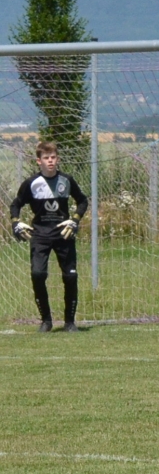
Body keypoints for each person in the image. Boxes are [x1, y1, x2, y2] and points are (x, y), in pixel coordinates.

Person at [8, 141, 88, 332]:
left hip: (64, 234)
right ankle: (46, 321)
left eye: (53, 157)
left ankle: (69, 322)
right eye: (46, 158)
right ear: (39, 161)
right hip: (40, 235)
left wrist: (75, 220)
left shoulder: (66, 180)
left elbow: (83, 201)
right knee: (38, 274)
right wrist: (16, 222)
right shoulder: (31, 183)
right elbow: (15, 204)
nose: (50, 161)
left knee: (70, 276)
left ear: (57, 159)